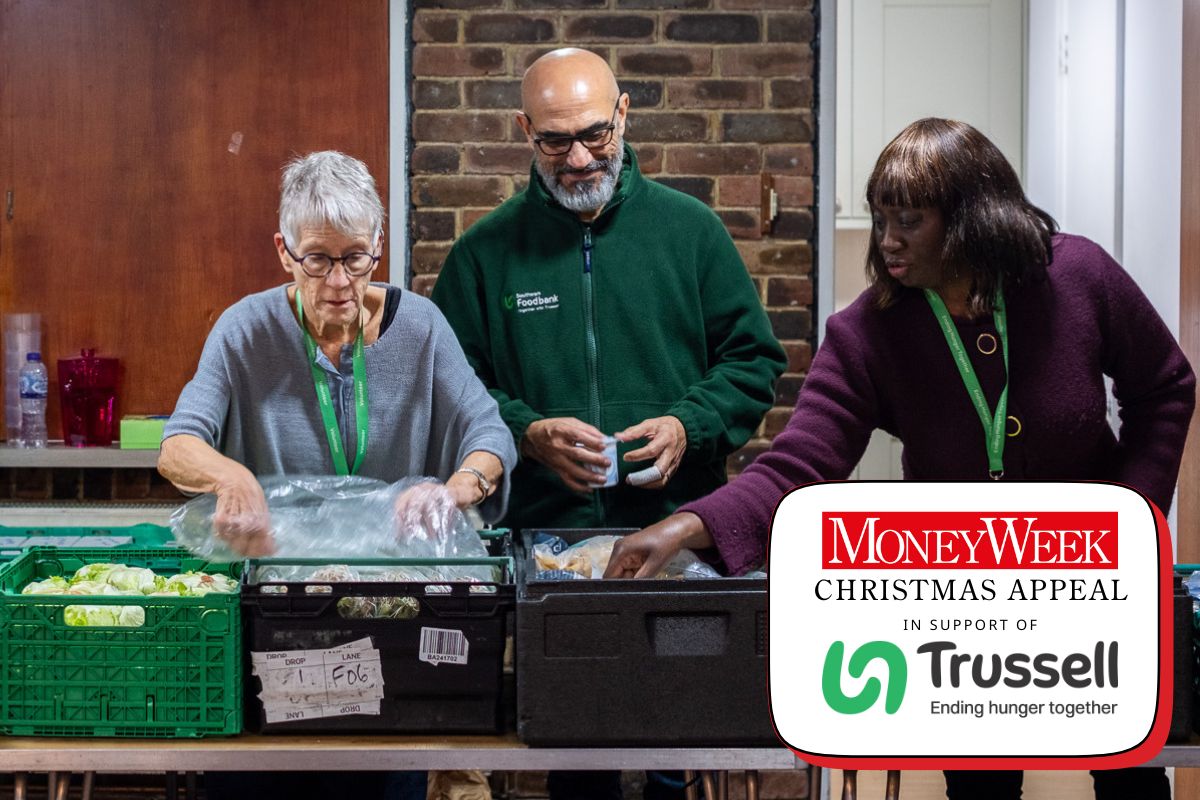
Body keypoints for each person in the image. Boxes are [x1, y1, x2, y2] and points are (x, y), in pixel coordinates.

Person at [605, 118, 1195, 800]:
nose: (886, 240)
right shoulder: (867, 332)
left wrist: (1135, 519)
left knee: (1129, 773)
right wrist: (686, 527)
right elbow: (799, 465)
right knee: (980, 786)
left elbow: (1165, 387)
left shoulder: (1077, 276)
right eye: (880, 217)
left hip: (1095, 583)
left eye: (908, 220)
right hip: (964, 597)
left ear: (973, 217)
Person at [430, 48, 786, 800]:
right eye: (555, 141)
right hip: (550, 552)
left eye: (595, 133)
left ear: (624, 114)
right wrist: (527, 432)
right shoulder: (482, 256)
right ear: (524, 130)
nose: (580, 157)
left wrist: (691, 424)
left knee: (676, 740)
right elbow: (453, 390)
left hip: (675, 538)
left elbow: (754, 361)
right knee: (572, 743)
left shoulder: (690, 233)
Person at [159, 150, 517, 800]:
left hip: (387, 612)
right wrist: (230, 478)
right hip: (274, 615)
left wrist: (455, 488)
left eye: (356, 257)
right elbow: (179, 444)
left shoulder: (423, 329)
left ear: (379, 246)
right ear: (283, 251)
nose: (339, 282)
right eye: (317, 259)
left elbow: (488, 435)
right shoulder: (245, 329)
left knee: (381, 776)